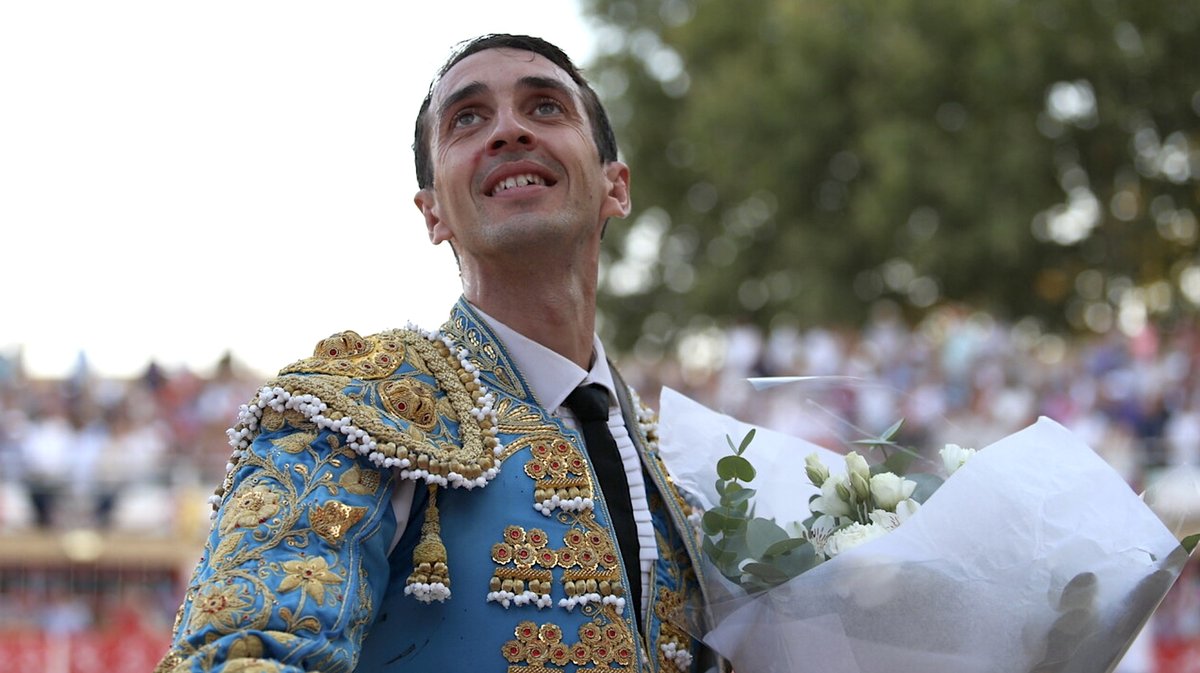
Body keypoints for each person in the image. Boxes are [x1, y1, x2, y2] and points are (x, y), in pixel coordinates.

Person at [156, 34, 712, 673]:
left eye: (546, 108)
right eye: (467, 120)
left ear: (616, 186)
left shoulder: (670, 462)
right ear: (433, 212)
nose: (508, 132)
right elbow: (242, 656)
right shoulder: (355, 406)